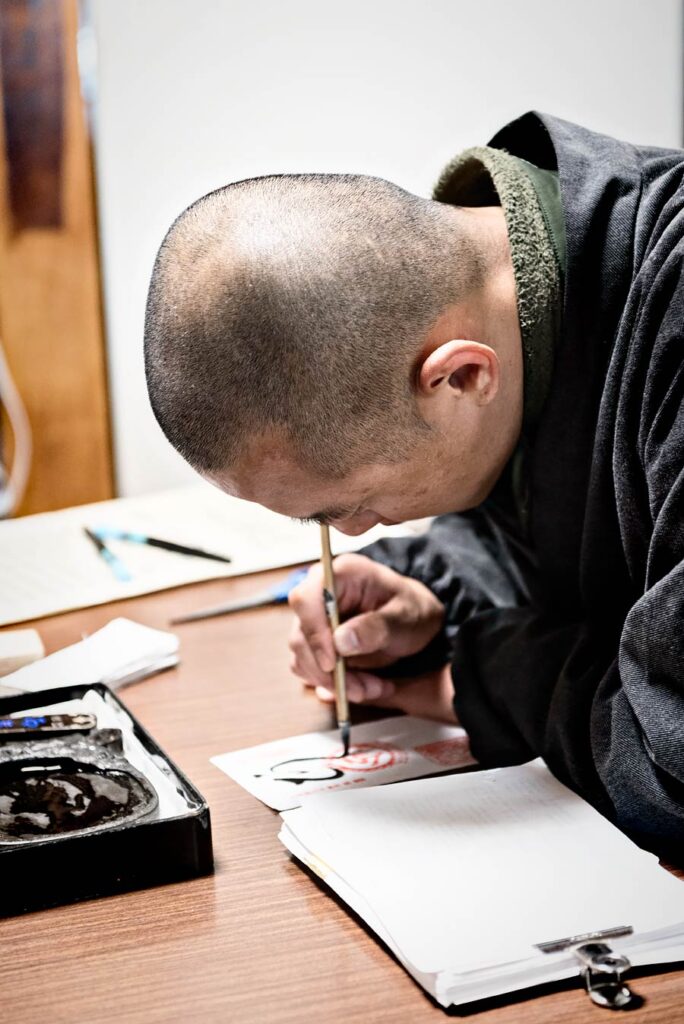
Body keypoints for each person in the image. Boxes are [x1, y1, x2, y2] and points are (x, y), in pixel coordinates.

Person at [144, 111, 684, 863]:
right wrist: (432, 597)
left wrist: (465, 677)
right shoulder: (524, 306)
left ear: (461, 374)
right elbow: (559, 542)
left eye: (350, 506)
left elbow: (673, 769)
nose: (357, 534)